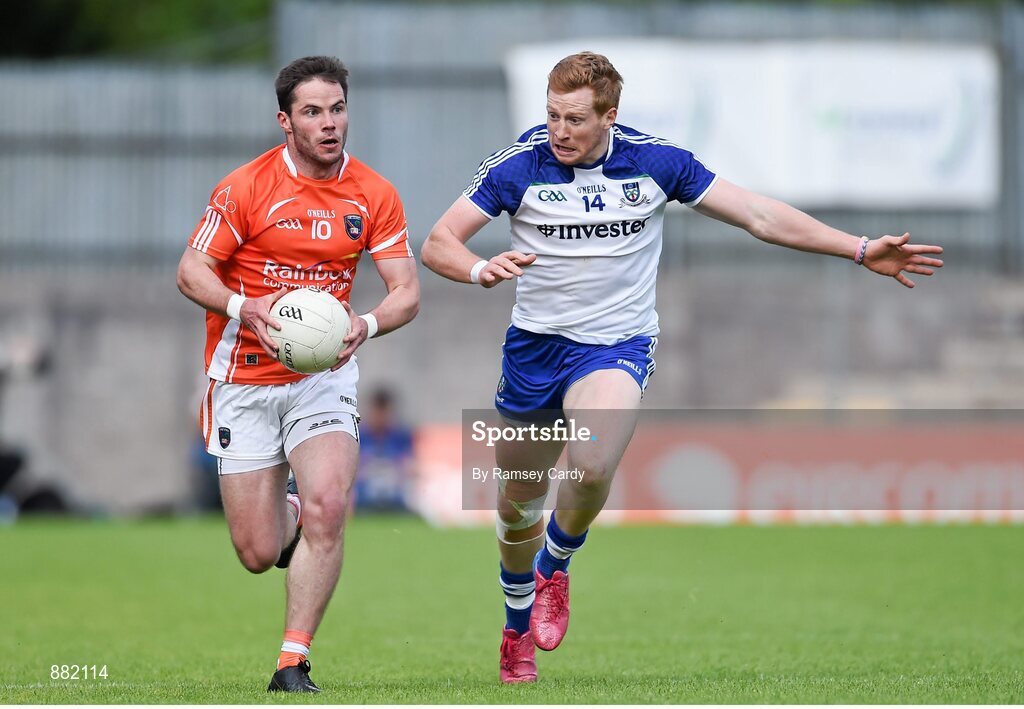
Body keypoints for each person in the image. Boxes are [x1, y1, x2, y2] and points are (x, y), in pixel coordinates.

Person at [420, 51, 943, 684]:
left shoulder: (655, 161)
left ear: (610, 116)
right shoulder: (518, 167)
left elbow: (758, 215)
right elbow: (439, 242)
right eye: (553, 115)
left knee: (589, 463)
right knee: (517, 504)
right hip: (534, 350)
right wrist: (480, 269)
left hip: (615, 346)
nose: (560, 130)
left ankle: (555, 565)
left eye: (576, 119)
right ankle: (514, 626)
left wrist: (860, 250)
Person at [176, 55, 419, 693]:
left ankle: (293, 659)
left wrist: (363, 325)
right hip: (243, 379)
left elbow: (406, 293)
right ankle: (291, 513)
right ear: (286, 121)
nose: (329, 123)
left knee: (330, 505)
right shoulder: (244, 188)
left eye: (337, 109)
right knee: (258, 554)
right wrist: (241, 306)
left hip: (323, 377)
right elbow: (191, 272)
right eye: (313, 112)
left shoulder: (374, 193)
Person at [353, 386, 415, 512]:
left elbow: (411, 466)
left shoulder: (401, 436)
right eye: (377, 411)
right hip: (363, 500)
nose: (381, 417)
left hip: (395, 498)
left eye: (384, 412)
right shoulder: (358, 435)